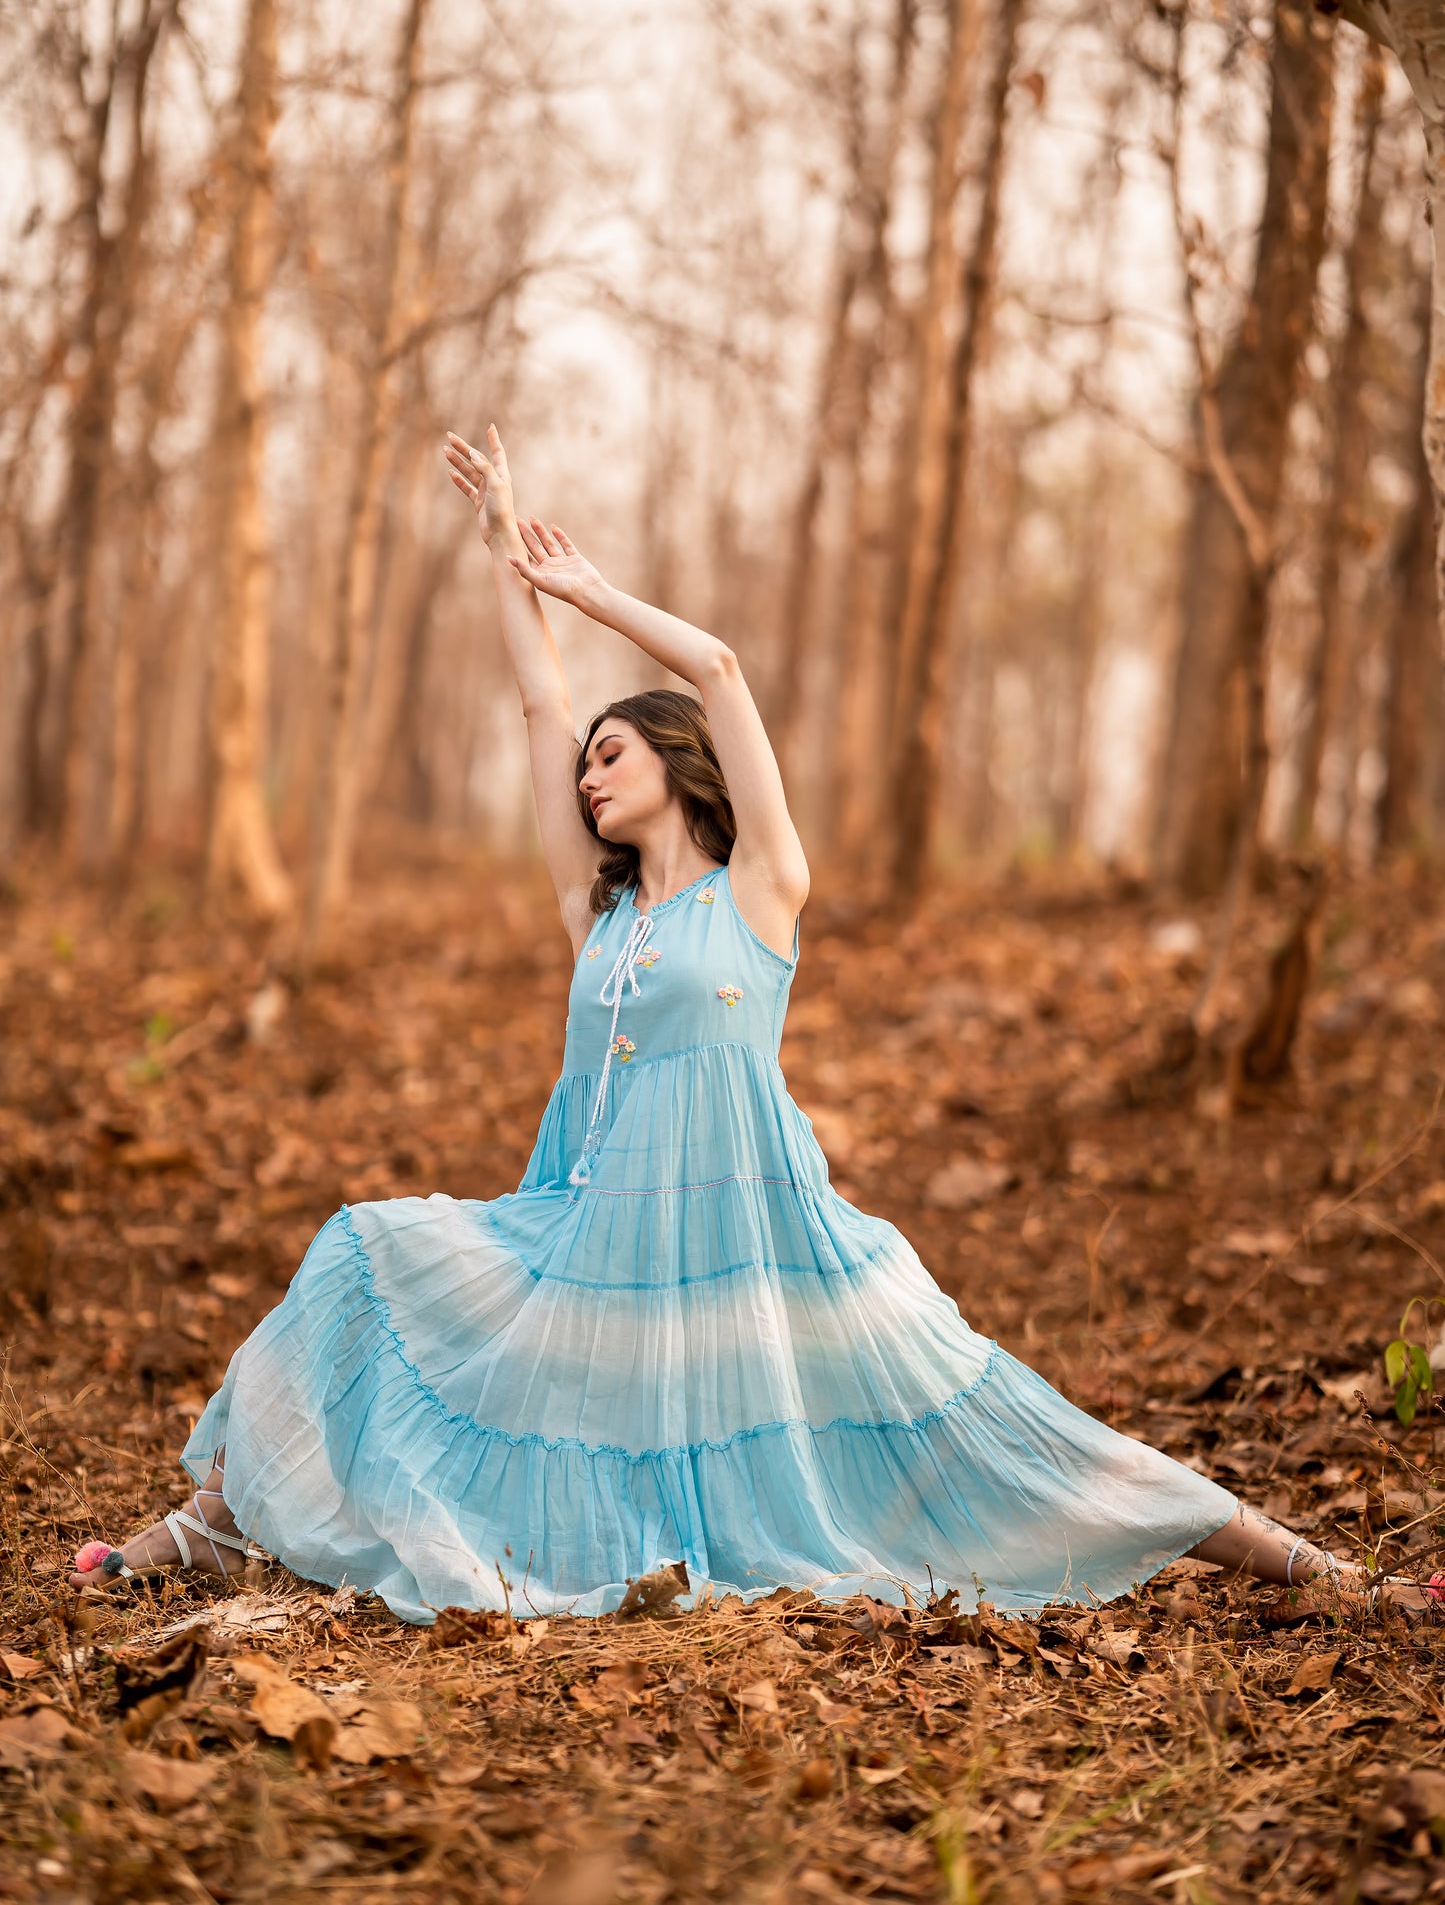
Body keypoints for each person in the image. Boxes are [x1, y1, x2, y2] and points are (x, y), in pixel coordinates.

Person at [70, 426, 1391, 1617]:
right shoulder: (599, 927)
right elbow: (538, 705)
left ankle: (1321, 1572)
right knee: (362, 1254)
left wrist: (585, 591)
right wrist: (497, 553)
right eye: (584, 765)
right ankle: (209, 1525)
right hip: (587, 1239)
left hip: (767, 1245)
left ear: (676, 765)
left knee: (1000, 1424)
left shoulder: (762, 893)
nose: (589, 776)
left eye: (613, 754)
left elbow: (716, 662)